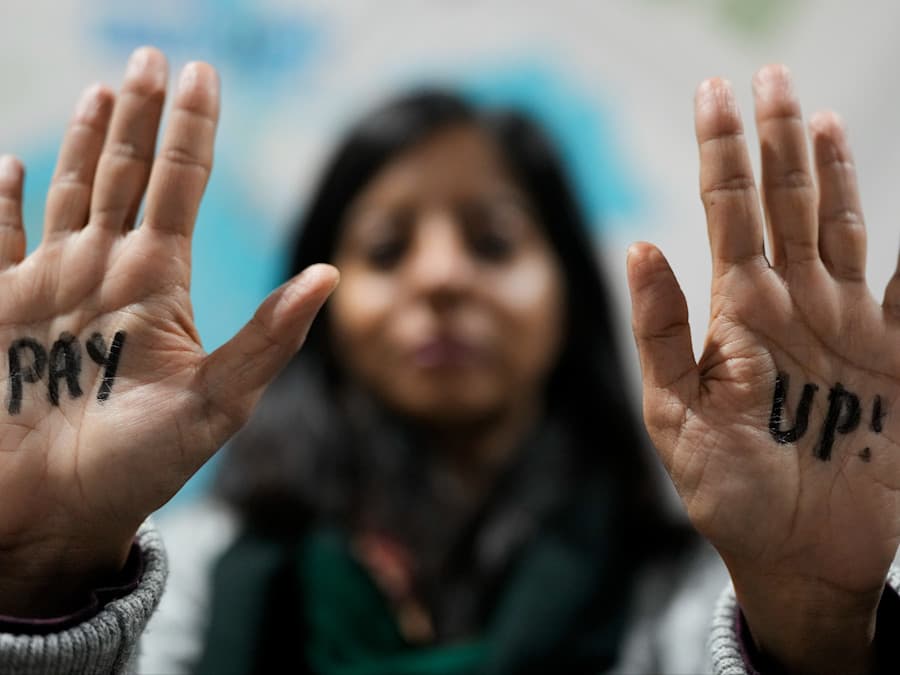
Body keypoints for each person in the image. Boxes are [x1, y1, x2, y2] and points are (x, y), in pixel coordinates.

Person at [0, 46, 898, 675]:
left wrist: (813, 621)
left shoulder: (698, 600)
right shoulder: (191, 579)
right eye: (387, 249)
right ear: (319, 305)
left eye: (493, 241)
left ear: (568, 295)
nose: (439, 277)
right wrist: (44, 571)